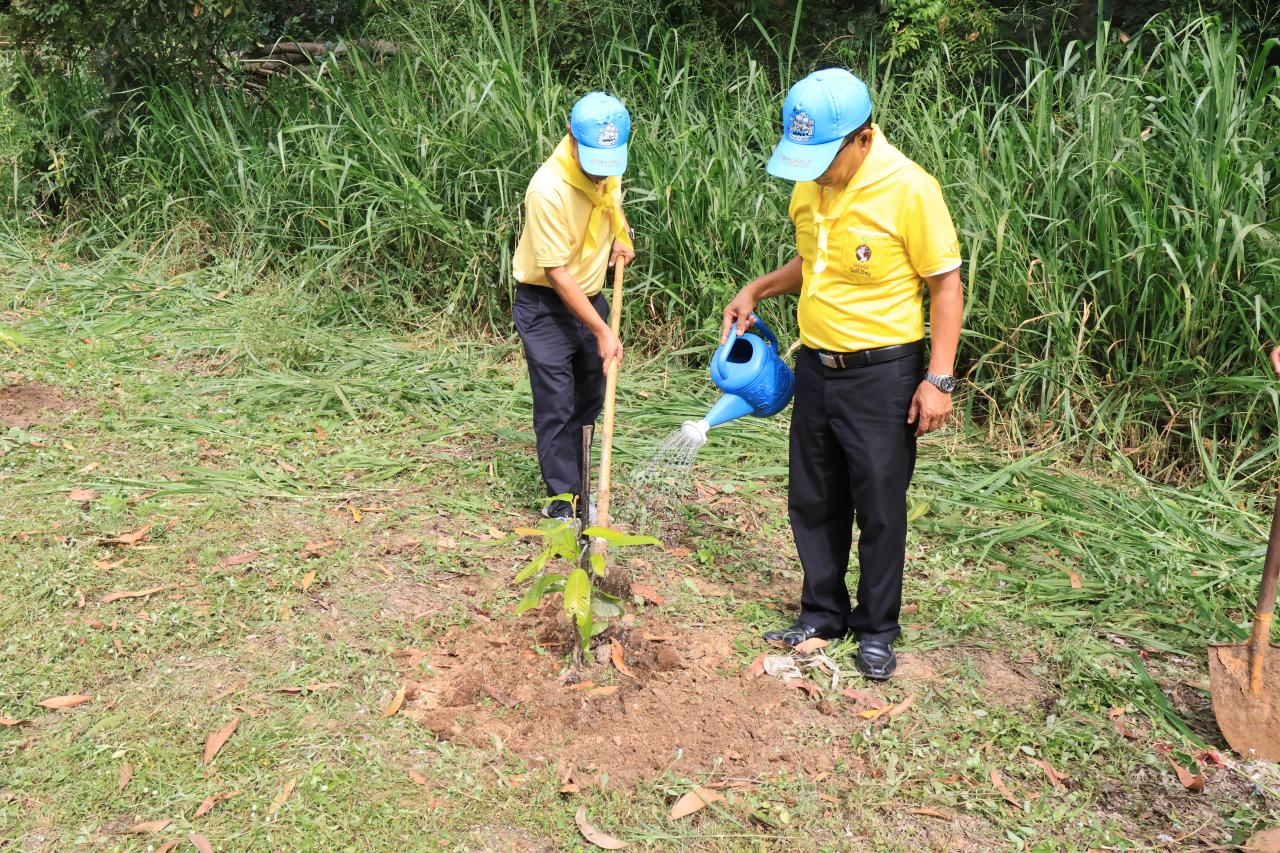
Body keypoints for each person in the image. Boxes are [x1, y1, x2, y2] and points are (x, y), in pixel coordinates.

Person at [722, 68, 963, 680]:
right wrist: (759, 288)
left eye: (825, 156)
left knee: (879, 506)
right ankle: (822, 613)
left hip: (883, 374)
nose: (815, 170)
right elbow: (813, 261)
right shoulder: (810, 185)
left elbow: (945, 284)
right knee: (812, 497)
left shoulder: (910, 189)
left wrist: (938, 378)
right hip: (816, 367)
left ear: (862, 138)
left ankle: (877, 627)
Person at [512, 92, 636, 523]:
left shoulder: (607, 165)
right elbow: (556, 274)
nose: (603, 169)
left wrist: (621, 234)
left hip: (592, 297)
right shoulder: (546, 190)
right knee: (556, 401)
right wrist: (603, 331)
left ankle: (584, 486)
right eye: (595, 158)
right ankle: (562, 501)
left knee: (591, 394)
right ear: (571, 136)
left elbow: (611, 205)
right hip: (545, 305)